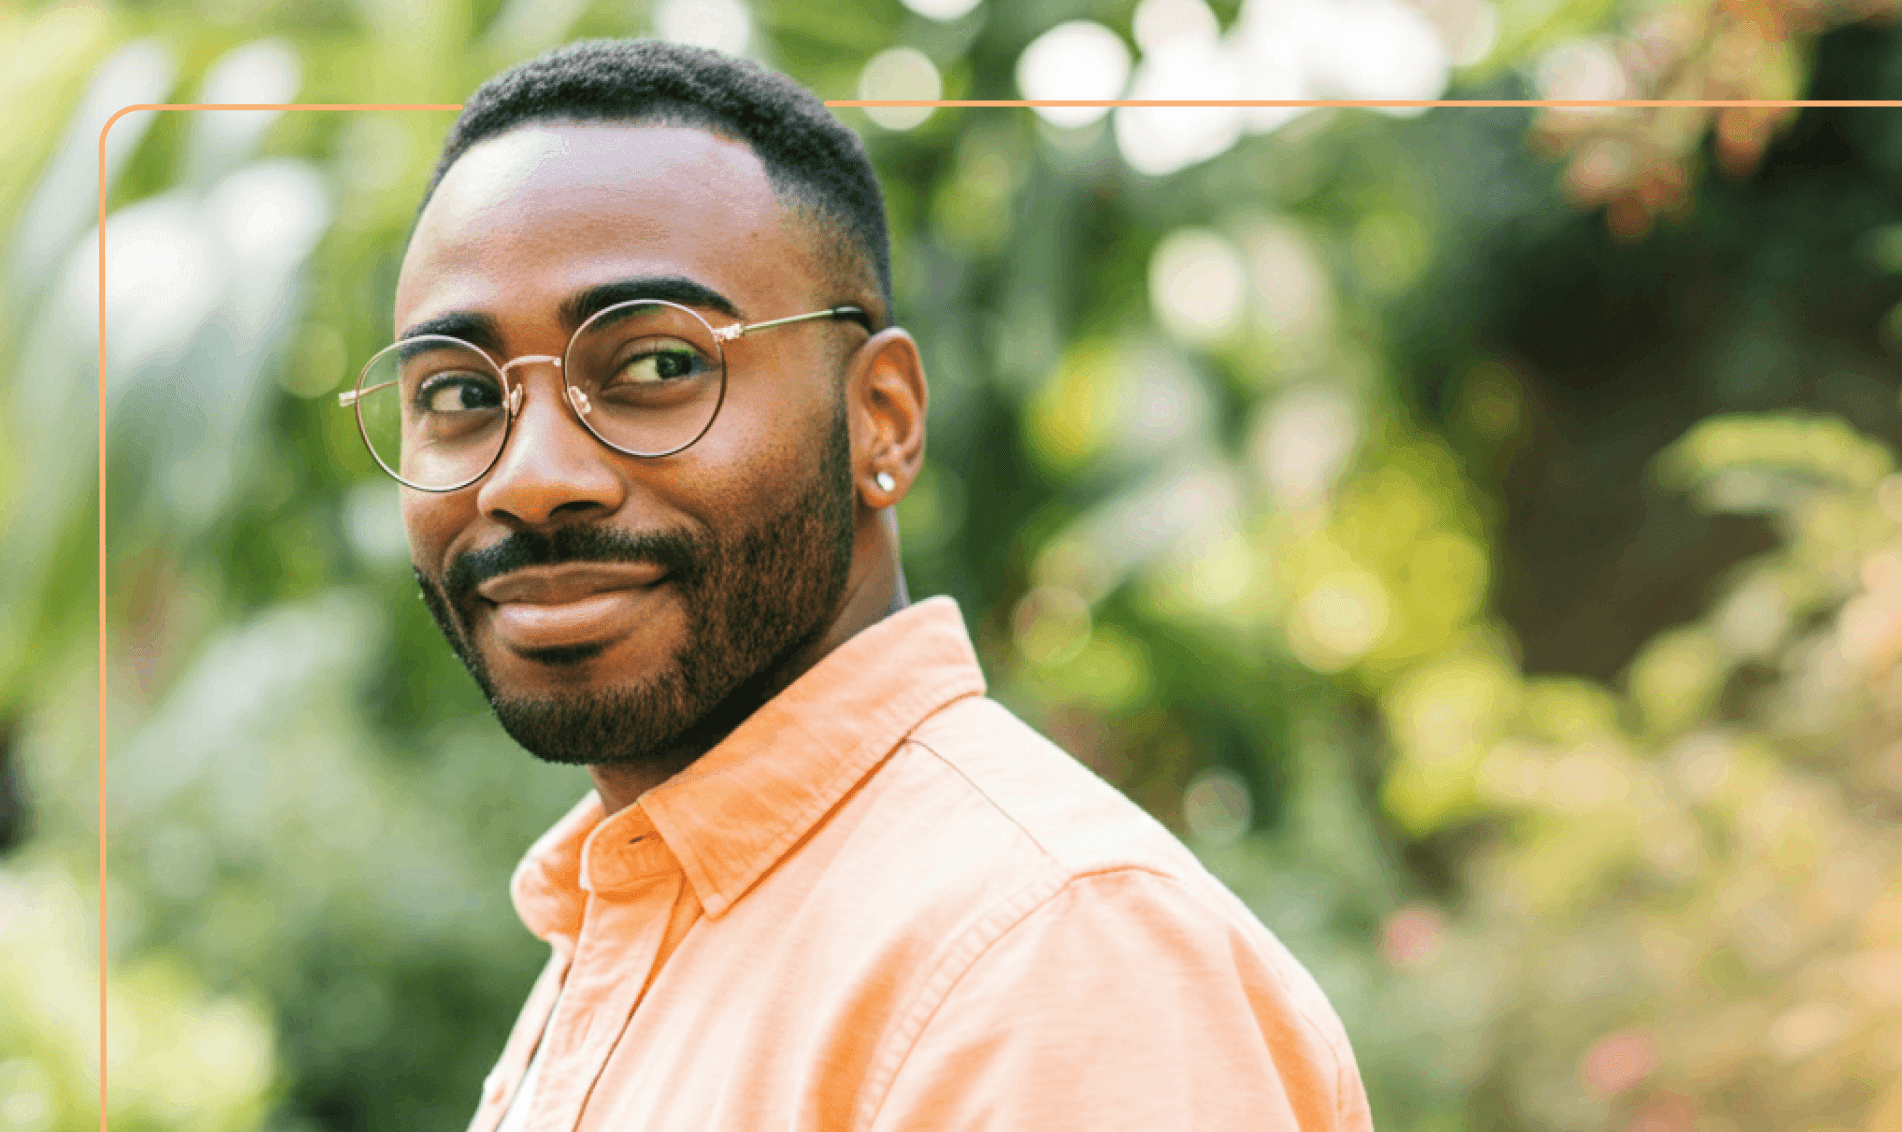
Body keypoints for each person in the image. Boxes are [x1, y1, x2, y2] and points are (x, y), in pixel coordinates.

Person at [356, 36, 1374, 1132]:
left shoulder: (1047, 956)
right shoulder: (638, 921)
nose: (533, 479)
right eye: (458, 392)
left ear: (880, 417)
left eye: (657, 365)